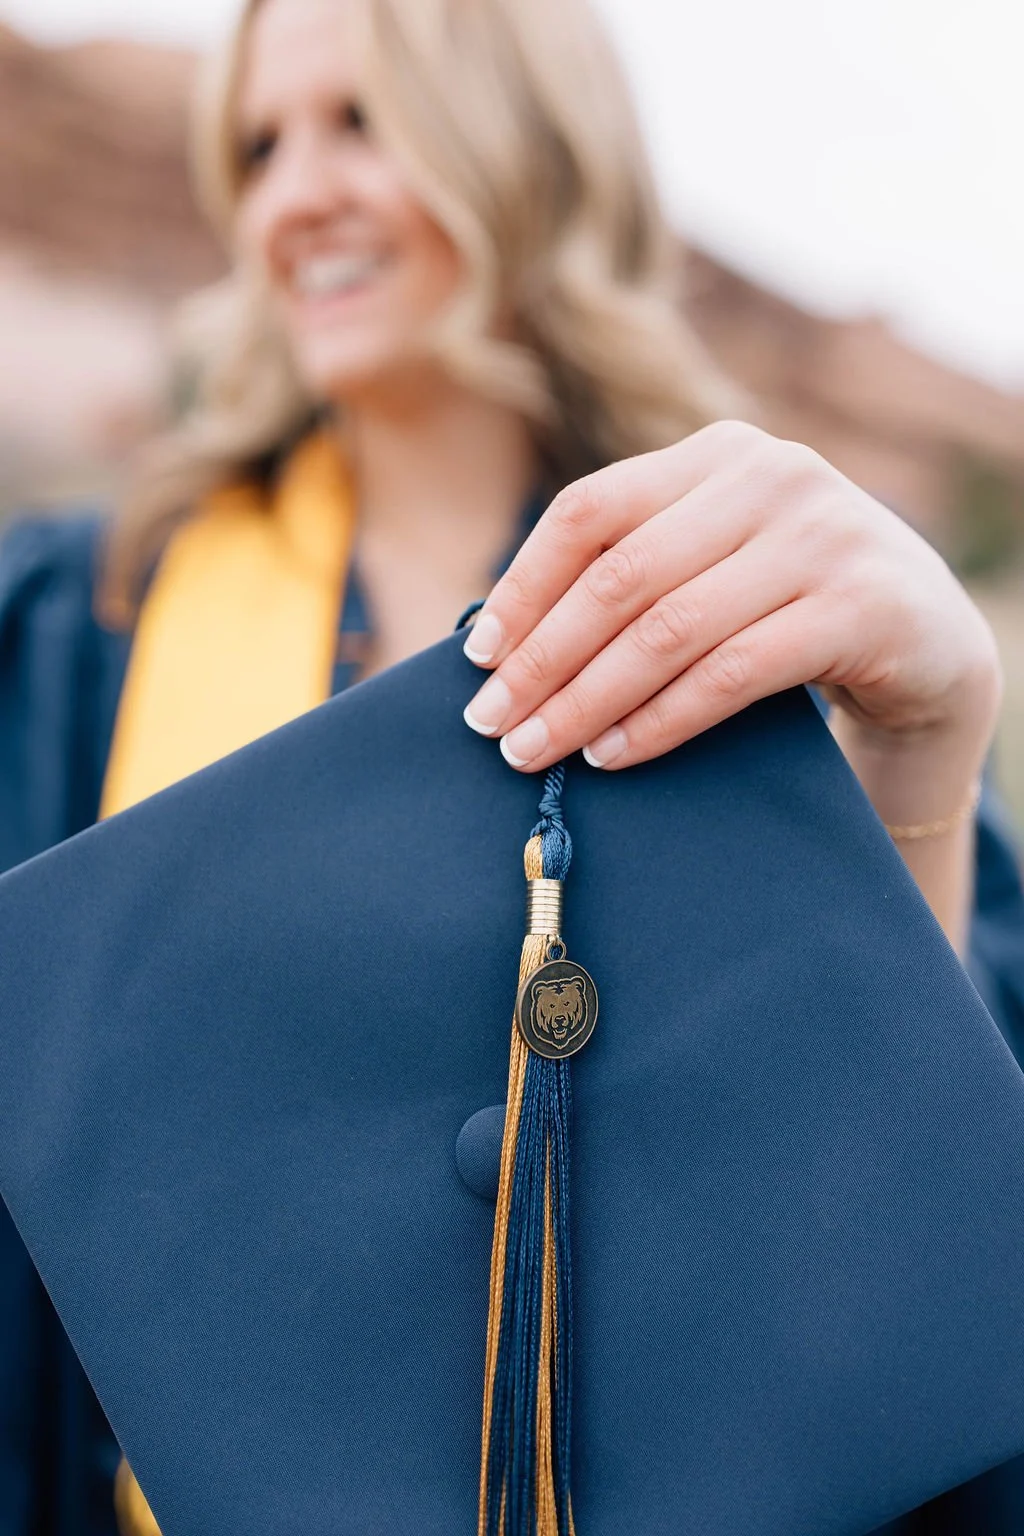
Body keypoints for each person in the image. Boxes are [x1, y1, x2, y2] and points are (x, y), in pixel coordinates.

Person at [0, 0, 1021, 1531]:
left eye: (365, 121)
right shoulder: (87, 620)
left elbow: (906, 1232)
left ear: (529, 151)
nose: (296, 195)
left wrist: (926, 747)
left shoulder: (738, 605)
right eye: (261, 147)